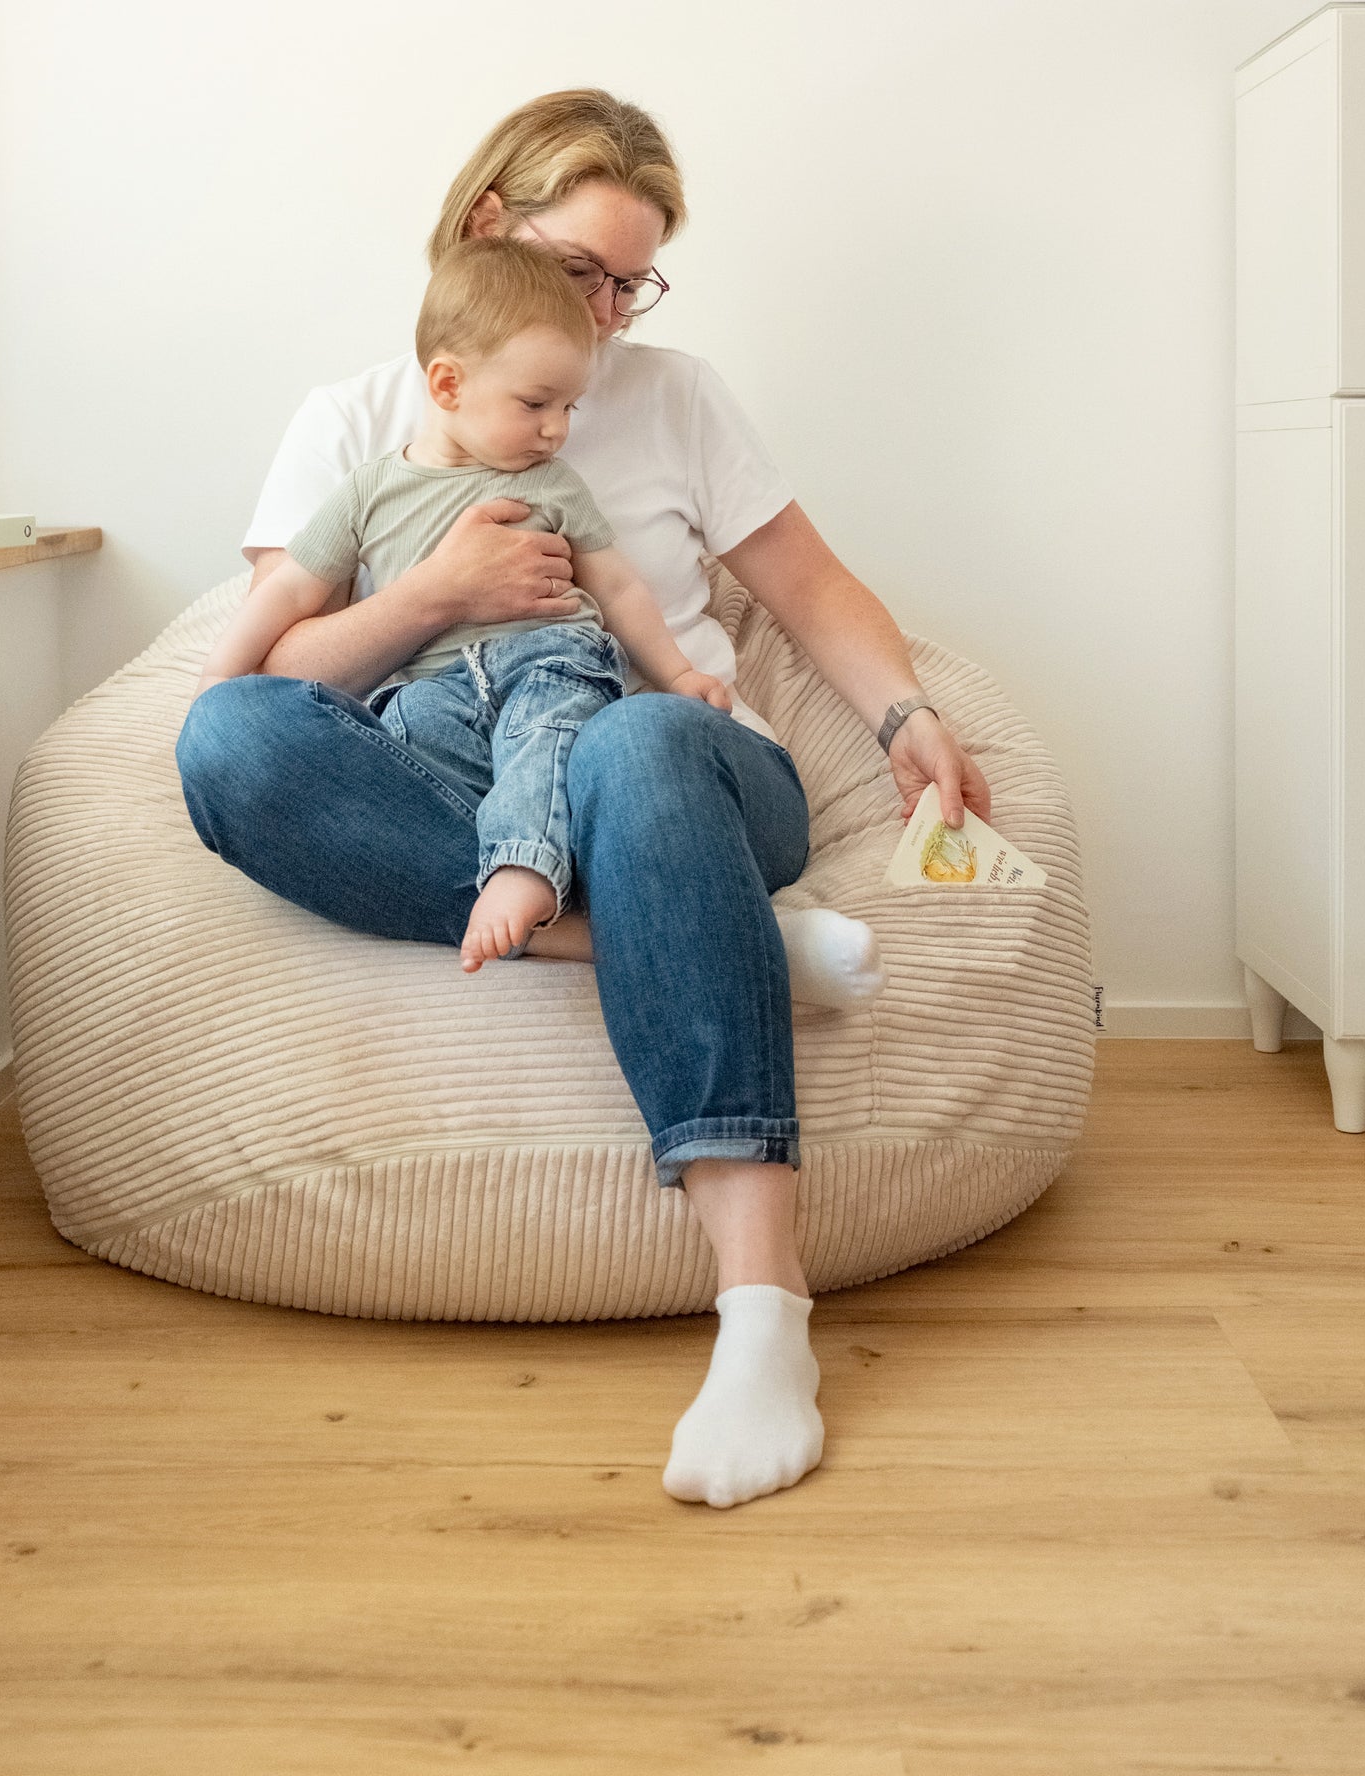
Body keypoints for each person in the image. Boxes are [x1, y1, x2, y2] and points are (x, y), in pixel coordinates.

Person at [176, 89, 992, 1510]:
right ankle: (695, 938)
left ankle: (763, 1321)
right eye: (583, 274)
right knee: (231, 747)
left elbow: (804, 585)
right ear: (492, 224)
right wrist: (434, 595)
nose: (610, 317)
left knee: (630, 745)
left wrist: (907, 715)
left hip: (682, 767)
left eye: (634, 282)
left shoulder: (676, 396)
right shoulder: (358, 418)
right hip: (449, 782)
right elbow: (277, 661)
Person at [190, 236, 735, 972]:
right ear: (447, 386)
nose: (557, 429)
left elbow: (618, 588)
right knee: (387, 746)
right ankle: (578, 913)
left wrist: (677, 674)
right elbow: (290, 588)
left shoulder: (553, 484)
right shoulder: (369, 487)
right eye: (536, 404)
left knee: (548, 735)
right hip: (427, 694)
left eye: (568, 406)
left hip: (548, 664)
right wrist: (218, 678)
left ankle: (524, 876)